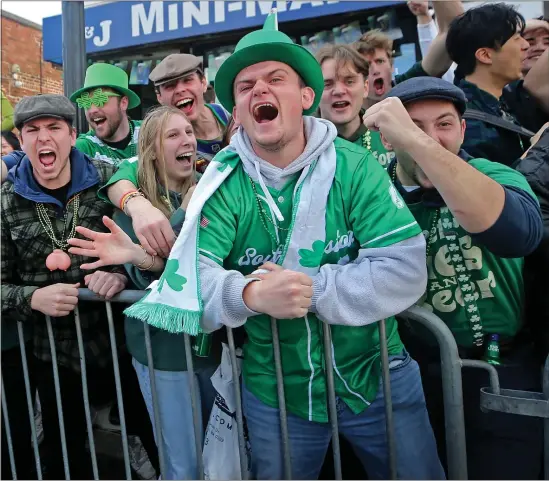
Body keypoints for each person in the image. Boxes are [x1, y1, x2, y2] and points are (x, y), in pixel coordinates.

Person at [121, 12, 444, 480]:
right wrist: (249, 295)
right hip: (275, 393)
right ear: (235, 108)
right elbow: (194, 281)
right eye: (246, 85)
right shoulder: (222, 185)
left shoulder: (356, 168)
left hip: (378, 378)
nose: (260, 91)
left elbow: (405, 268)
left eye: (276, 78)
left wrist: (310, 289)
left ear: (307, 97)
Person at [365, 76, 544, 479]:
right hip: (414, 380)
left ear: (463, 130)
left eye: (444, 125)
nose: (433, 137)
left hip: (502, 370)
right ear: (389, 139)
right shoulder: (373, 194)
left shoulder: (494, 174)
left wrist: (421, 146)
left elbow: (519, 235)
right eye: (414, 126)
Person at [68, 105, 219, 480]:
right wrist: (183, 210)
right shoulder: (134, 211)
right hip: (164, 356)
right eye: (173, 135)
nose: (187, 140)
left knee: (225, 456)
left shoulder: (213, 188)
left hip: (216, 352)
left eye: (188, 132)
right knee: (184, 464)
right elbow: (158, 276)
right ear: (151, 150)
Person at [0, 94, 129, 479]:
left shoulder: (110, 179)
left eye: (54, 128)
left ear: (73, 135)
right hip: (51, 355)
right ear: (21, 141)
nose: (44, 139)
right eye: (32, 130)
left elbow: (144, 251)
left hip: (116, 345)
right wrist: (32, 297)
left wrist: (123, 274)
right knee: (64, 452)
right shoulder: (6, 202)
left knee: (148, 439)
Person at [99, 53, 232, 257]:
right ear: (160, 98)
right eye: (170, 86)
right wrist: (138, 206)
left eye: (188, 80)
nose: (180, 90)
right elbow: (126, 174)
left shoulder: (233, 122)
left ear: (204, 83)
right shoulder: (156, 138)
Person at [446, 3, 532, 165]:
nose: (526, 45)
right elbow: (494, 186)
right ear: (485, 55)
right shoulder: (467, 127)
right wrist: (537, 150)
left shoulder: (506, 100)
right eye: (516, 38)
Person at [355, 0, 463, 109]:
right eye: (367, 65)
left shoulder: (408, 85)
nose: (375, 70)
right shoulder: (348, 109)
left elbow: (452, 31)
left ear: (392, 67)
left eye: (380, 61)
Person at [316, 44, 395, 168]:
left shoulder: (391, 134)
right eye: (328, 84)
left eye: (349, 81)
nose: (339, 91)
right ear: (313, 93)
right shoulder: (303, 149)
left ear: (365, 87)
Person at [69, 63, 142, 166]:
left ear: (123, 103)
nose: (92, 110)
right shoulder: (83, 149)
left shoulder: (151, 133)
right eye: (86, 102)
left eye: (100, 99)